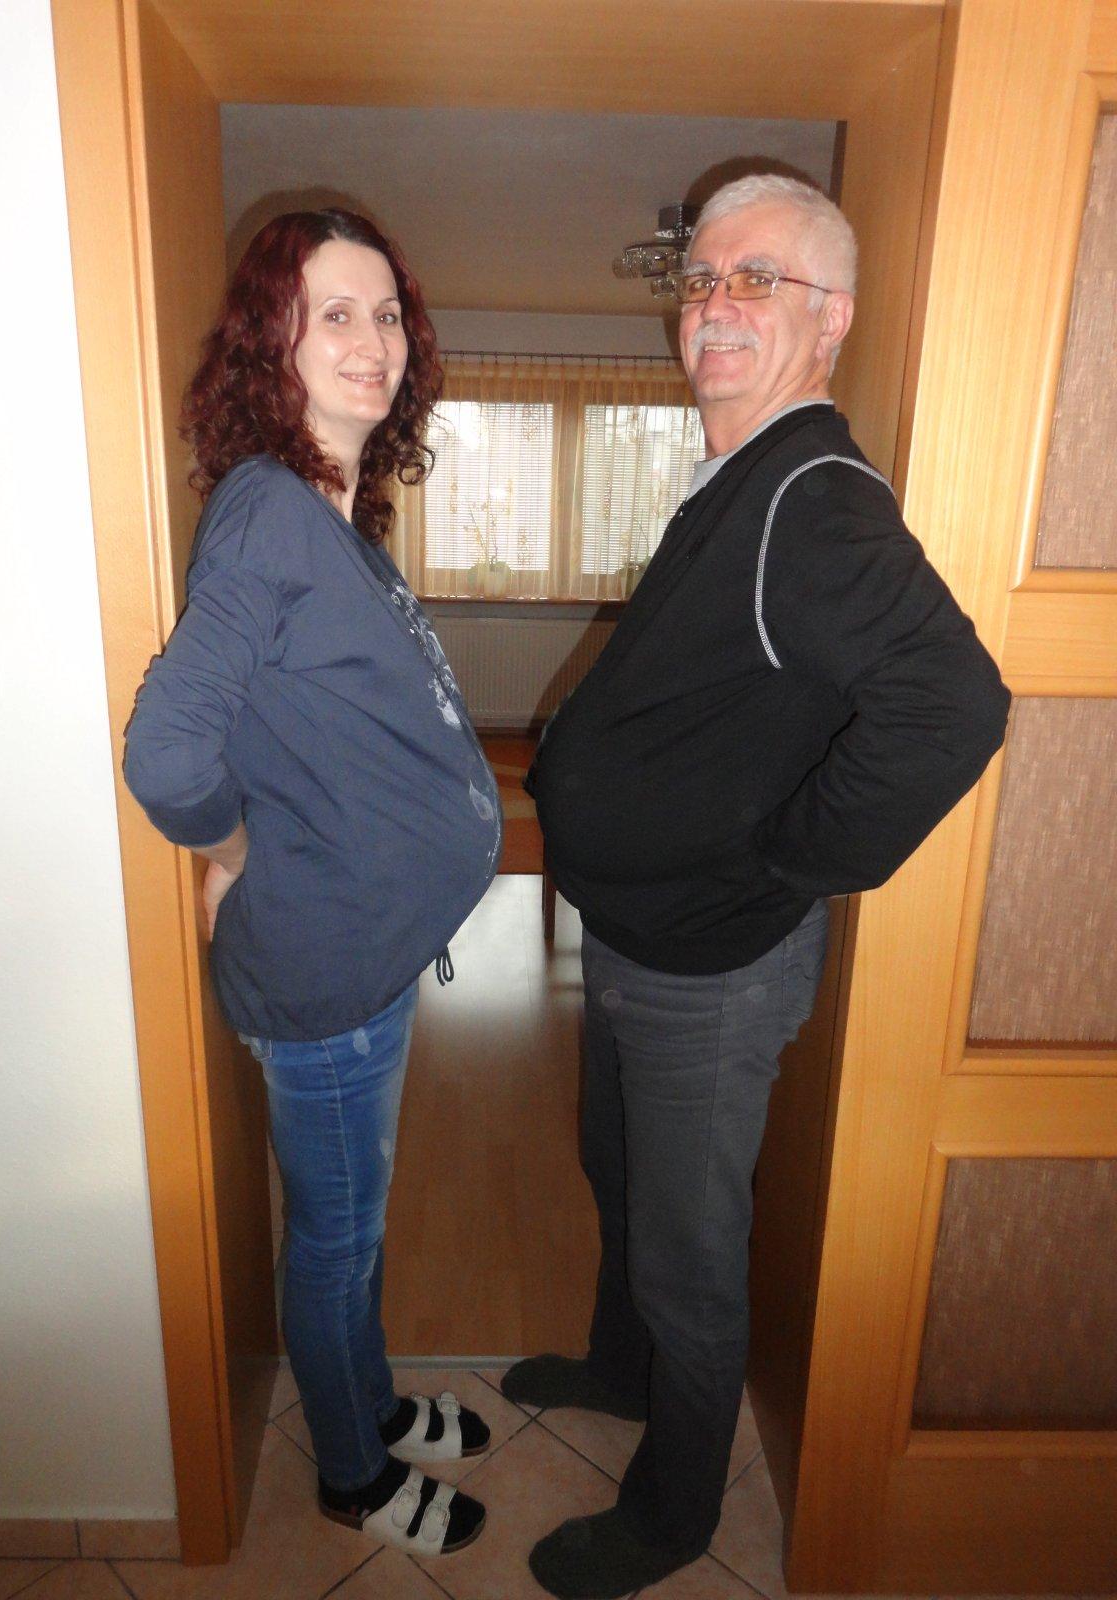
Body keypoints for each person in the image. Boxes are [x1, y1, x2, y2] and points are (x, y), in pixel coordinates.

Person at [509, 174, 1011, 1598]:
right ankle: (620, 1371)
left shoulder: (810, 497)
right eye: (702, 279)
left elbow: (953, 705)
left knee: (688, 1252)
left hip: (710, 967)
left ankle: (677, 1511)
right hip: (643, 934)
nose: (715, 305)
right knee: (622, 1177)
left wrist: (791, 860)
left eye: (757, 280)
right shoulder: (742, 478)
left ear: (831, 319)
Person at [124, 210, 501, 1557]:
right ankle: (352, 1471)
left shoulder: (329, 508)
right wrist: (231, 854)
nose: (372, 340)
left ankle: (374, 1400)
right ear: (268, 340)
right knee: (336, 1241)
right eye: (333, 313)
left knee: (357, 1226)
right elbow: (167, 753)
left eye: (386, 313)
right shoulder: (270, 512)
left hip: (365, 959)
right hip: (324, 975)